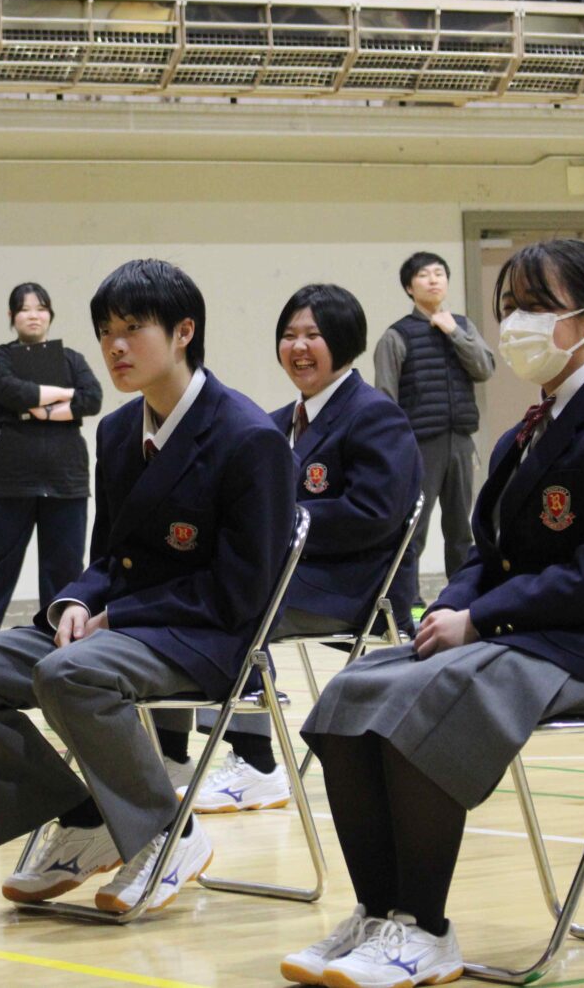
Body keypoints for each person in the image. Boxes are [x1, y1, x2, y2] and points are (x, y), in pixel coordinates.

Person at [279, 240, 584, 988]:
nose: (513, 323)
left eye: (535, 307)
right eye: (508, 307)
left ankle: (425, 929)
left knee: (431, 696)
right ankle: (378, 913)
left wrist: (481, 621)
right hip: (532, 631)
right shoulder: (528, 428)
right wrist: (450, 604)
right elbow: (487, 551)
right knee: (355, 689)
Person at [0, 259, 294, 915]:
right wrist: (77, 600)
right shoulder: (118, 431)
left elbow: (242, 592)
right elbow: (110, 558)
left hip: (206, 638)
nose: (115, 346)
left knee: (70, 673)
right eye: (105, 332)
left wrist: (118, 617)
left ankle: (167, 835)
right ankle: (85, 818)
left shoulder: (248, 436)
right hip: (120, 632)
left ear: (183, 332)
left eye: (132, 329)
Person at [162, 284, 422, 814]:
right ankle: (170, 755)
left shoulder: (375, 415)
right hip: (280, 576)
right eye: (288, 335)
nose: (298, 347)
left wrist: (271, 526)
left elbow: (374, 514)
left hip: (354, 587)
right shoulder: (274, 421)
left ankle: (255, 762)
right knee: (171, 592)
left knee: (233, 601)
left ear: (344, 341)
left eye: (312, 335)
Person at [0, 282, 102, 641]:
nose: (33, 315)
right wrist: (62, 398)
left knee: (65, 567)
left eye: (40, 308)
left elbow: (92, 398)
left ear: (50, 314)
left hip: (66, 480)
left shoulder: (72, 359)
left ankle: (62, 636)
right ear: (12, 316)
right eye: (24, 309)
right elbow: (9, 389)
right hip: (10, 479)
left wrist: (37, 407)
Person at [373, 252, 495, 613]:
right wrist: (394, 451)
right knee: (415, 527)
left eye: (439, 273)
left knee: (461, 529)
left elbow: (485, 368)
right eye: (424, 275)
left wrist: (453, 332)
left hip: (461, 440)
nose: (433, 280)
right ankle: (406, 600)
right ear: (409, 288)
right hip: (418, 445)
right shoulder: (396, 335)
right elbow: (385, 399)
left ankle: (461, 597)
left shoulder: (462, 326)